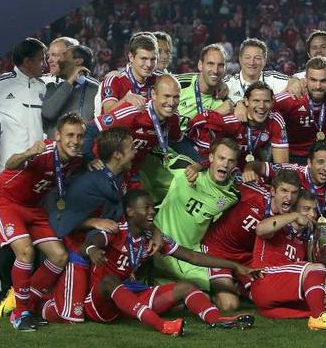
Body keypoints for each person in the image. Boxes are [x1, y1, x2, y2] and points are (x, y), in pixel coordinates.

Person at [81, 189, 258, 335]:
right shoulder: (116, 231)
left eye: (153, 207)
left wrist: (235, 266)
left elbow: (192, 257)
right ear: (130, 211)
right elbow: (88, 244)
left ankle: (216, 320)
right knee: (109, 280)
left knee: (187, 287)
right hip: (100, 305)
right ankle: (163, 326)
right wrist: (93, 250)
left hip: (128, 298)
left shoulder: (152, 236)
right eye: (146, 207)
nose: (152, 211)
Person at [0, 113, 85, 330]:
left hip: (32, 207)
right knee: (26, 252)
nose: (75, 141)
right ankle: (19, 315)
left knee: (59, 256)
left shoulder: (77, 159)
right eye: (70, 135)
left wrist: (93, 161)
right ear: (57, 135)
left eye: (79, 136)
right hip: (5, 201)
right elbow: (11, 164)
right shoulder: (44, 151)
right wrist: (29, 152)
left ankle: (25, 303)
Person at [41, 127, 139, 324]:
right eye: (131, 148)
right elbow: (59, 222)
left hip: (95, 252)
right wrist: (94, 222)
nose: (136, 152)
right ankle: (38, 303)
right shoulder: (89, 183)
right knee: (72, 318)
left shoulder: (118, 178)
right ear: (118, 155)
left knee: (91, 310)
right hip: (76, 253)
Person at [0, 37, 48, 305]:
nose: (45, 63)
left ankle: (26, 289)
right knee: (2, 235)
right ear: (28, 61)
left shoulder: (44, 87)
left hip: (37, 173)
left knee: (33, 231)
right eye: (41, 58)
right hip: (4, 172)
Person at [249, 190, 326, 331]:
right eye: (306, 209)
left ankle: (322, 316)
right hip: (264, 282)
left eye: (314, 210)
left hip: (280, 298)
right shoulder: (278, 224)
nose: (312, 214)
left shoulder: (305, 239)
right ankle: (319, 316)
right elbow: (260, 229)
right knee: (316, 268)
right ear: (293, 210)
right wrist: (294, 216)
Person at [201, 169, 301, 311]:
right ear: (273, 191)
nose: (289, 197)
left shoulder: (290, 214)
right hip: (218, 250)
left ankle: (239, 287)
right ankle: (205, 290)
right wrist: (245, 170)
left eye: (294, 193)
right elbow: (227, 179)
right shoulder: (252, 192)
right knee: (229, 305)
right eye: (284, 191)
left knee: (265, 296)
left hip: (247, 258)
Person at [152, 138, 243, 289]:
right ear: (211, 158)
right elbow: (157, 148)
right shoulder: (185, 169)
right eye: (221, 158)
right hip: (161, 248)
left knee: (224, 292)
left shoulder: (232, 195)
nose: (225, 164)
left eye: (231, 161)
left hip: (191, 256)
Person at [83, 75, 181, 180]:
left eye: (176, 97)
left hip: (132, 172)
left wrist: (199, 162)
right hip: (104, 169)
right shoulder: (135, 111)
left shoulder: (173, 118)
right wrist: (89, 158)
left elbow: (179, 141)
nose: (171, 103)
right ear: (153, 94)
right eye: (166, 96)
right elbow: (91, 128)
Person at [273, 57, 326, 165]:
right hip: (294, 156)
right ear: (305, 79)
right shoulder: (291, 98)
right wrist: (242, 104)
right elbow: (261, 105)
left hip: (323, 155)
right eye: (313, 80)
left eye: (323, 81)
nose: (318, 86)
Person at [244, 140, 326, 222]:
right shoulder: (293, 171)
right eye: (320, 162)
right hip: (287, 223)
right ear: (309, 163)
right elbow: (258, 166)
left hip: (315, 227)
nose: (325, 168)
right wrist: (249, 169)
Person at [187, 82, 288, 164]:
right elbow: (193, 124)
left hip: (249, 165)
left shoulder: (275, 119)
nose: (261, 106)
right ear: (247, 101)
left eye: (266, 101)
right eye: (256, 101)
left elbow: (282, 165)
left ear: (272, 102)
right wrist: (217, 112)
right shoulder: (233, 120)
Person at [41, 44, 99, 136]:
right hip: (54, 148)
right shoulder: (51, 87)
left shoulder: (96, 90)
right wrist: (70, 80)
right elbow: (48, 113)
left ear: (77, 61)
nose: (57, 60)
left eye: (63, 55)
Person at [97, 33, 160, 114]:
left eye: (153, 59)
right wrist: (125, 100)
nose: (149, 64)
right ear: (131, 57)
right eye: (143, 59)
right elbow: (107, 115)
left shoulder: (160, 81)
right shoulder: (115, 80)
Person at [175, 43, 232, 132]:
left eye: (221, 65)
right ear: (200, 65)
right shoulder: (178, 84)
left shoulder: (224, 100)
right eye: (210, 64)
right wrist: (215, 114)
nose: (215, 70)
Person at [224, 38, 290, 103]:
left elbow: (296, 81)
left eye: (257, 58)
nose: (252, 62)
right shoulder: (228, 84)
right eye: (247, 57)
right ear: (240, 59)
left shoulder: (274, 79)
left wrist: (295, 79)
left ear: (264, 61)